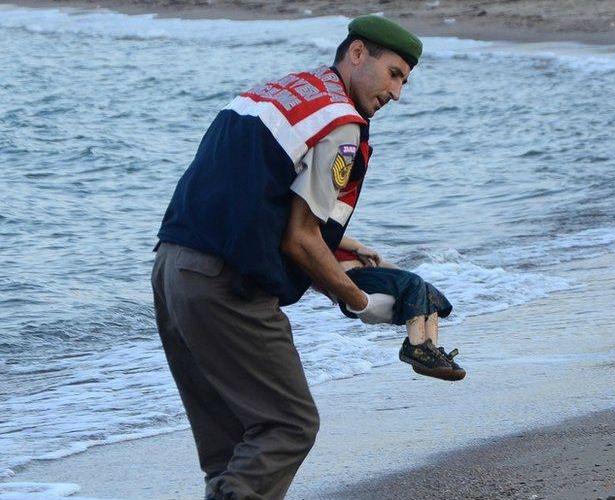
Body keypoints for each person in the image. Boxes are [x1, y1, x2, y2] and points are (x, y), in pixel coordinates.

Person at [150, 15, 425, 500]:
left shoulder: (282, 91)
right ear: (357, 54)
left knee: (231, 449)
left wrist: (339, 245)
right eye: (395, 73)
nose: (397, 93)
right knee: (289, 425)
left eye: (404, 79)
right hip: (225, 287)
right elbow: (298, 240)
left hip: (173, 269)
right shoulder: (341, 122)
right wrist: (360, 302)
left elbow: (255, 194)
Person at [334, 235, 465, 381]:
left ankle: (431, 353)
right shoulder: (324, 237)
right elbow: (329, 233)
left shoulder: (360, 254)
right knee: (414, 282)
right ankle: (415, 348)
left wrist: (413, 284)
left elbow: (397, 273)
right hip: (351, 278)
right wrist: (358, 247)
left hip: (370, 276)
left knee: (426, 289)